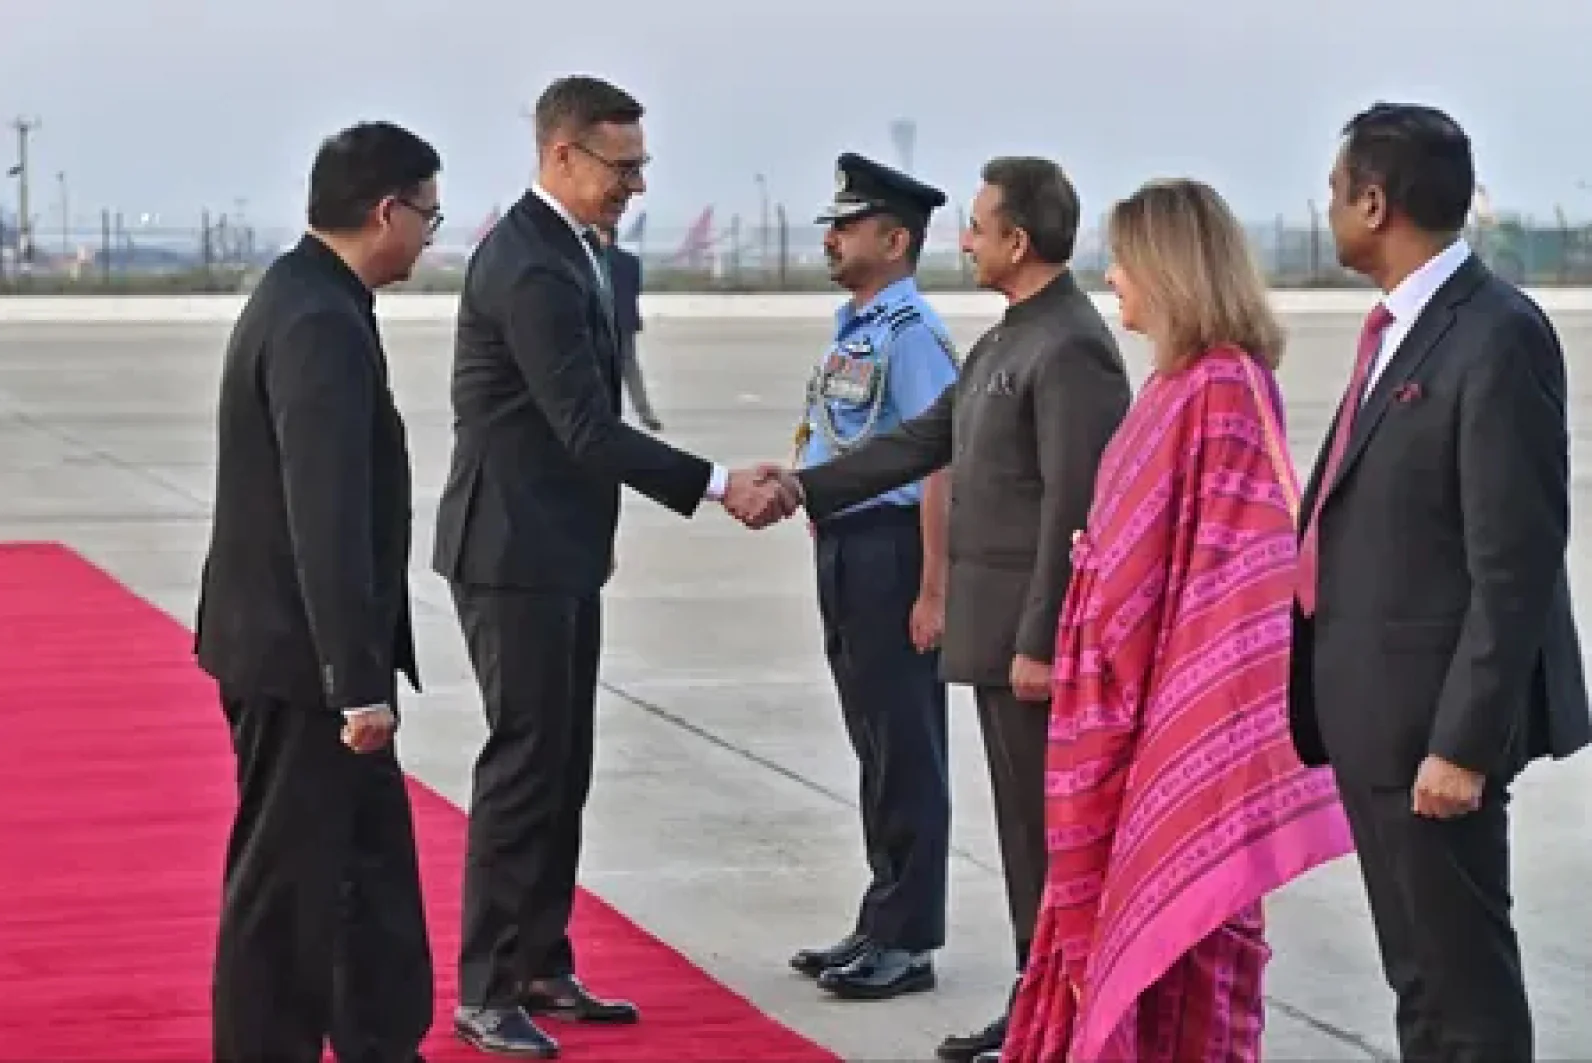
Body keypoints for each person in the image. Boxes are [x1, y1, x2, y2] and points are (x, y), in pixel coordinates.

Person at [429, 74, 792, 1057]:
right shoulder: (531, 265)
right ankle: (487, 986)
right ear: (561, 155)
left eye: (641, 165)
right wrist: (719, 484)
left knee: (564, 763)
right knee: (524, 765)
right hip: (510, 552)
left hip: (557, 550)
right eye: (620, 167)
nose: (635, 185)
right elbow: (586, 427)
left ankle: (540, 961)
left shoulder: (573, 249)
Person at [752, 156, 1132, 1062]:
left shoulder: (1069, 345)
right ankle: (1037, 1003)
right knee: (1022, 832)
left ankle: (1061, 1013)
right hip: (996, 638)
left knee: (1047, 835)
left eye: (977, 225)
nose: (962, 241)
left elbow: (1076, 509)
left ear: (1018, 240)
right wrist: (804, 487)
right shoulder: (1010, 339)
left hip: (1028, 641)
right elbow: (922, 440)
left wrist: (1041, 638)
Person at [997, 177, 1353, 1063]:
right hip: (1115, 707)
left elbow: (1244, 571)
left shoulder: (1224, 387)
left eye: (1123, 259)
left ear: (1169, 268)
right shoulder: (1170, 384)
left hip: (1169, 714)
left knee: (1180, 940)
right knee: (1097, 928)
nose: (1111, 276)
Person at [1289, 102, 1592, 1062]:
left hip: (1432, 728)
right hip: (1375, 715)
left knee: (1464, 988)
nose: (1329, 208)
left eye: (1337, 191)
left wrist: (1463, 743)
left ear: (1375, 203)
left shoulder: (1495, 333)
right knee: (1419, 977)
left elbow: (1515, 560)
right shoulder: (1398, 329)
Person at [193, 121, 444, 1063]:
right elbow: (325, 514)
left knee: (369, 875)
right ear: (385, 211)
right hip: (301, 664)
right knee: (287, 891)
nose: (430, 235)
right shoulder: (317, 322)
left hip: (305, 653)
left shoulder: (316, 296)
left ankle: (381, 1038)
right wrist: (356, 682)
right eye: (428, 216)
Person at [782, 152, 959, 1001]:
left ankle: (910, 937)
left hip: (894, 550)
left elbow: (941, 463)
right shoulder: (855, 327)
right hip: (847, 547)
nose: (832, 237)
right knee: (875, 743)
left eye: (848, 226)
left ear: (895, 241)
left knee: (907, 745)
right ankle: (882, 914)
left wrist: (934, 588)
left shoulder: (911, 334)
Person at [599, 224, 662, 430]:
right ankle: (645, 413)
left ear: (604, 235)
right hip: (626, 320)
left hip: (601, 321)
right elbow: (636, 289)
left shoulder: (593, 260)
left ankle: (608, 413)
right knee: (630, 367)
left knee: (600, 368)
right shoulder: (631, 261)